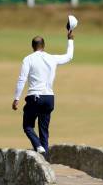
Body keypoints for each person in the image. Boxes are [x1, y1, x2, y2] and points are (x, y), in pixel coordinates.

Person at [12, 28, 75, 160]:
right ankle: (45, 160)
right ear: (44, 46)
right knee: (44, 131)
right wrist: (70, 40)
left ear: (32, 47)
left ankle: (38, 146)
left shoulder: (28, 59)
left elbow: (22, 78)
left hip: (34, 97)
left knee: (28, 126)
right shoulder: (52, 58)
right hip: (49, 98)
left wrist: (16, 98)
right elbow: (69, 56)